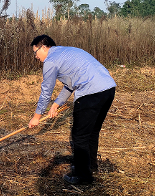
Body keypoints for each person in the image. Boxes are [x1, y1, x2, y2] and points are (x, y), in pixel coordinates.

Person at [28, 34, 116, 185]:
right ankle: (90, 167)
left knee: (79, 137)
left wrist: (37, 116)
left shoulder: (51, 61)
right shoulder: (68, 52)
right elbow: (70, 84)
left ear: (44, 47)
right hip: (108, 89)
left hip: (91, 93)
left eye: (35, 52)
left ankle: (83, 177)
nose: (35, 56)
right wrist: (55, 105)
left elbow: (46, 90)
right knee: (91, 132)